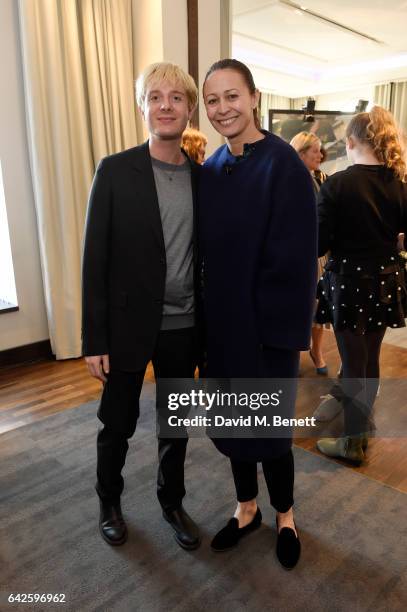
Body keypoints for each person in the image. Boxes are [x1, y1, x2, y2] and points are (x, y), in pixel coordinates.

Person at [199, 59, 317, 569]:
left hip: (266, 331)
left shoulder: (284, 164)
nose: (222, 108)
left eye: (231, 96)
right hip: (222, 329)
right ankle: (246, 509)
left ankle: (285, 515)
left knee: (268, 432)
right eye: (212, 100)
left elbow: (297, 259)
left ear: (253, 97)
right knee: (231, 427)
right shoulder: (210, 169)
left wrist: (281, 335)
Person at [82, 62, 202, 550]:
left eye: (176, 97)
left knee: (175, 428)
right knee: (118, 424)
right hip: (127, 326)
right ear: (143, 108)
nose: (166, 105)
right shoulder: (114, 170)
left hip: (185, 325)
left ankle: (171, 501)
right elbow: (95, 259)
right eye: (156, 97)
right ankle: (109, 500)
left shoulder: (204, 178)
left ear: (189, 109)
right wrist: (95, 340)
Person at [315, 106, 407, 464]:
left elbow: (319, 244)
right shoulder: (400, 185)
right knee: (369, 360)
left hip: (350, 284)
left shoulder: (336, 183)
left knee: (353, 364)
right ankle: (362, 426)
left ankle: (352, 443)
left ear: (350, 141)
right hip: (386, 282)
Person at [290, 131, 329, 375]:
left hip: (318, 253)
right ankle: (291, 354)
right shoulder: (288, 179)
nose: (320, 154)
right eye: (315, 150)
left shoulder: (319, 179)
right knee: (297, 306)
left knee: (319, 306)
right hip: (295, 254)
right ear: (302, 152)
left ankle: (317, 351)